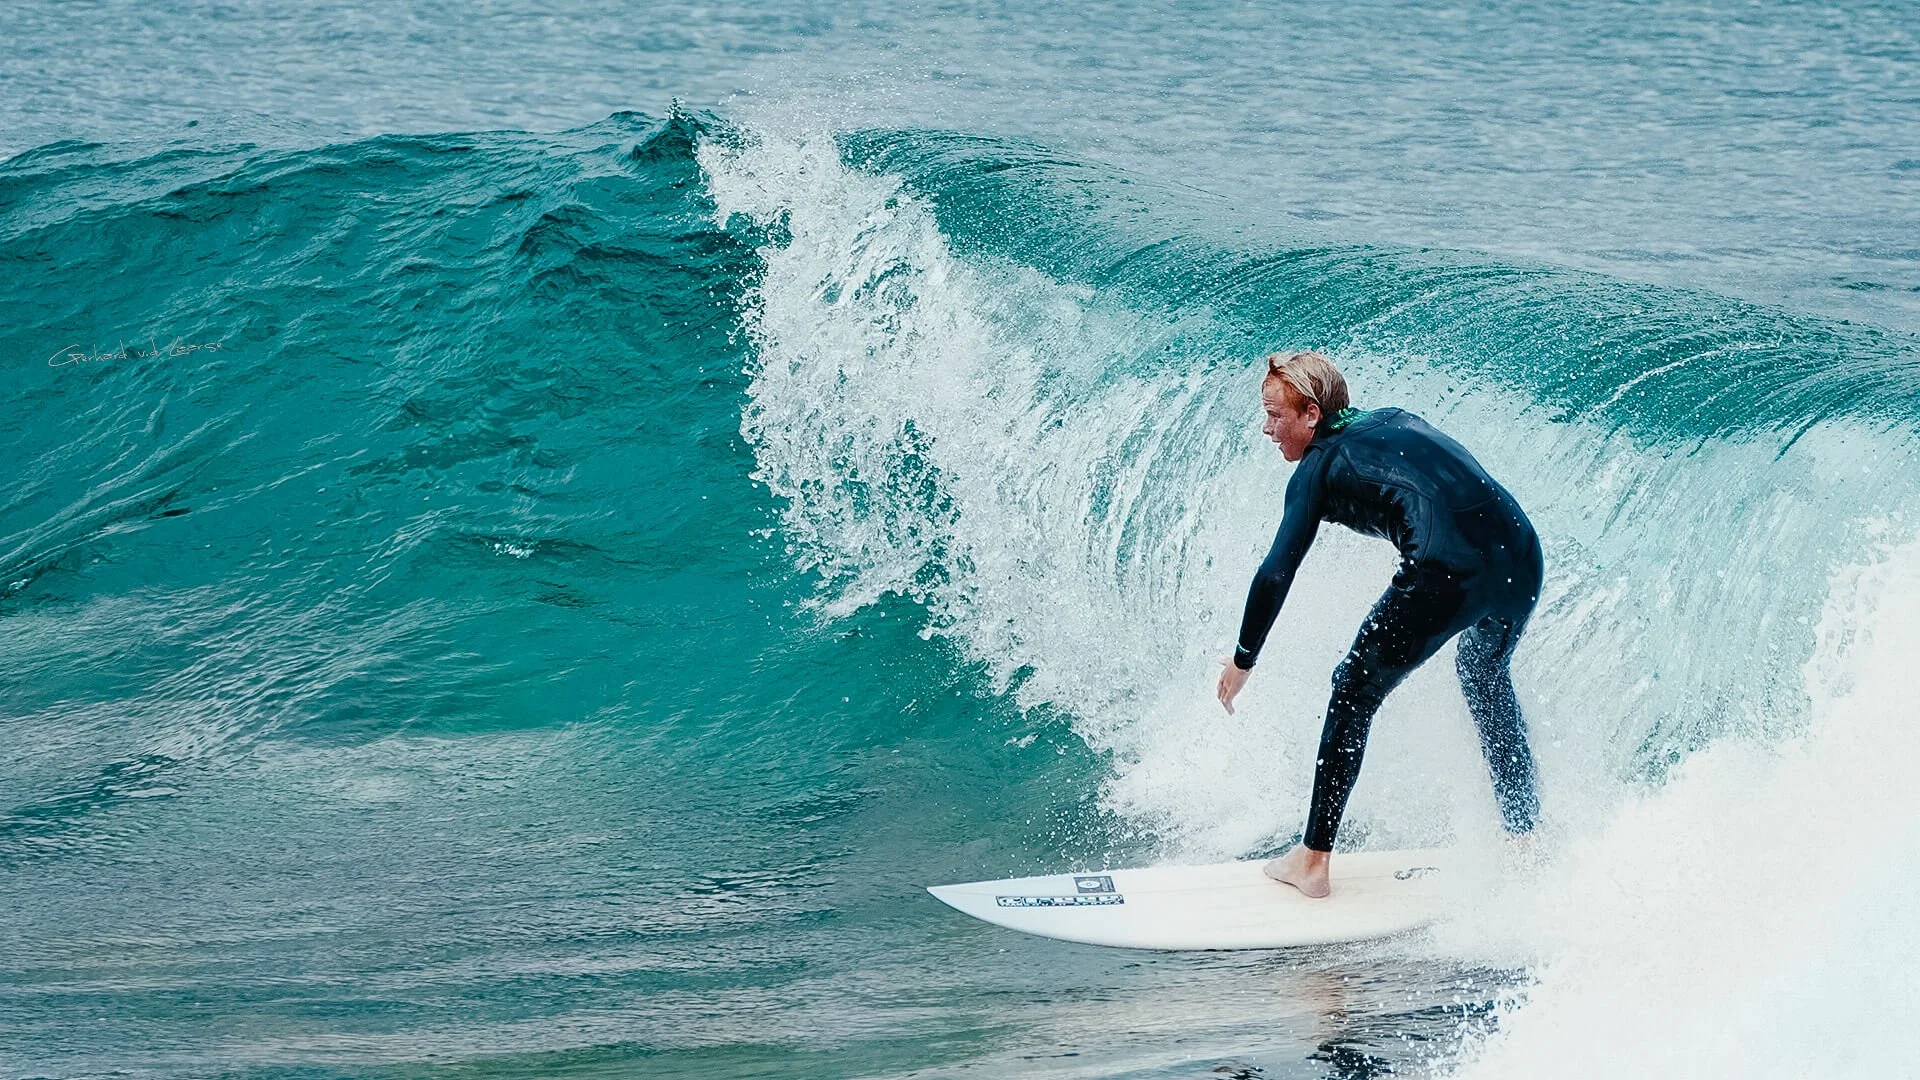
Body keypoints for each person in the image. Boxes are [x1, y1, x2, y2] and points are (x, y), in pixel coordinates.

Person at [1215, 351, 1544, 899]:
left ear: (1312, 415)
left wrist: (1243, 658)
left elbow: (1277, 571)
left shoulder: (1315, 472)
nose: (1267, 428)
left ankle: (1312, 863)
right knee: (1484, 677)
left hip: (1448, 571)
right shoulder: (1392, 417)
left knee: (1351, 692)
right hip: (1522, 555)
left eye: (1275, 416)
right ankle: (1526, 839)